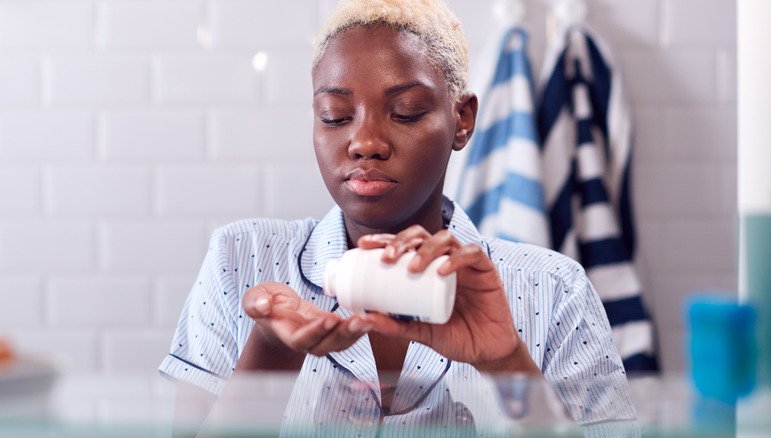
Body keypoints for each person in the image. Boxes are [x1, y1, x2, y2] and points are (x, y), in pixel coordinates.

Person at [160, 0, 637, 434]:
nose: (364, 141)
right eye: (334, 115)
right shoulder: (241, 261)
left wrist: (507, 363)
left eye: (405, 112)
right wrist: (269, 347)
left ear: (462, 120)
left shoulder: (553, 291)